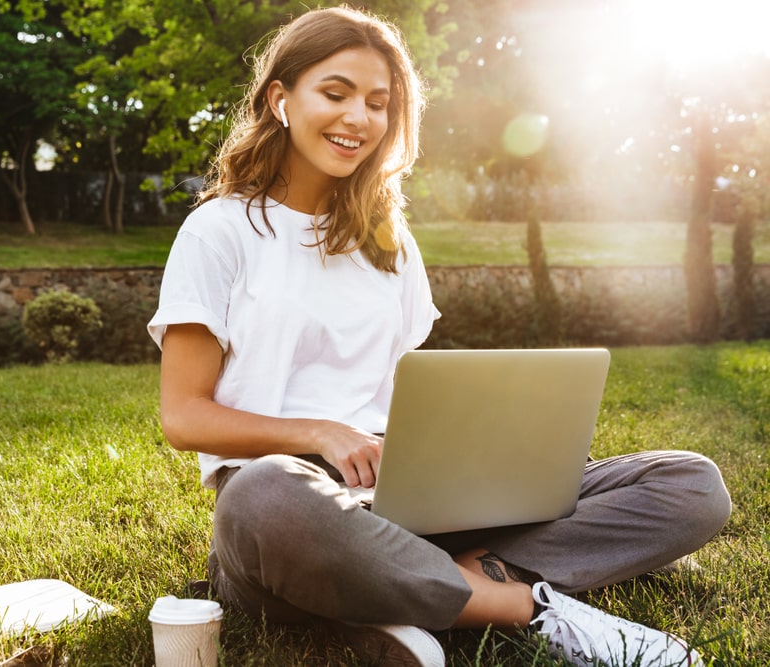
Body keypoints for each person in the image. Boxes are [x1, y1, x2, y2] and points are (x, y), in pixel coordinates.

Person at [147, 6, 732, 666]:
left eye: (378, 103)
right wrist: (318, 433)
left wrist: (490, 456)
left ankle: (405, 597)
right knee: (262, 499)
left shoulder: (388, 242)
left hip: (403, 496)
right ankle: (523, 604)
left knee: (691, 484)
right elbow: (185, 415)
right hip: (292, 508)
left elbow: (406, 392)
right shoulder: (219, 231)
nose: (358, 119)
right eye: (335, 94)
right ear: (280, 99)